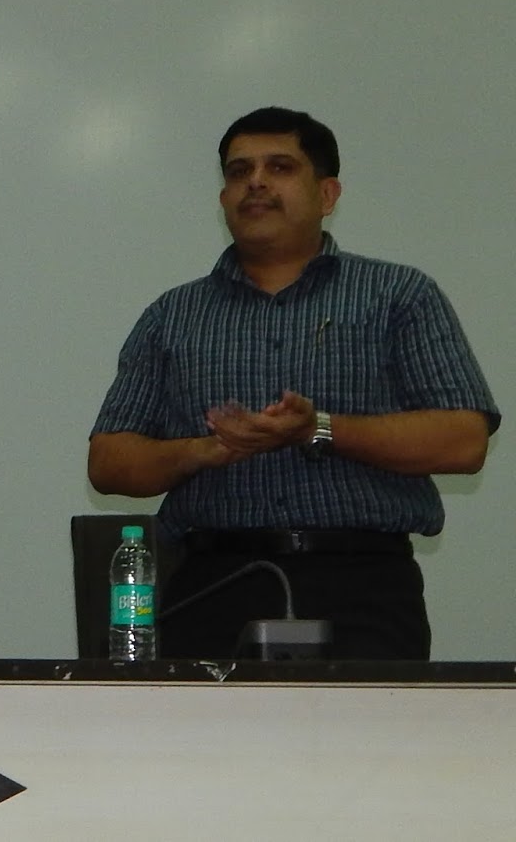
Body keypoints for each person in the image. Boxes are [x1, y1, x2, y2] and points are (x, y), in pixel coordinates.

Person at [87, 106, 499, 660]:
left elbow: (464, 441)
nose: (255, 182)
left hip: (364, 587)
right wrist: (206, 450)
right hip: (212, 584)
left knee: (365, 722)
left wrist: (318, 428)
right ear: (223, 199)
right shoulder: (172, 315)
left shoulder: (400, 296)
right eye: (239, 172)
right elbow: (108, 460)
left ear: (327, 195)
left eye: (280, 167)